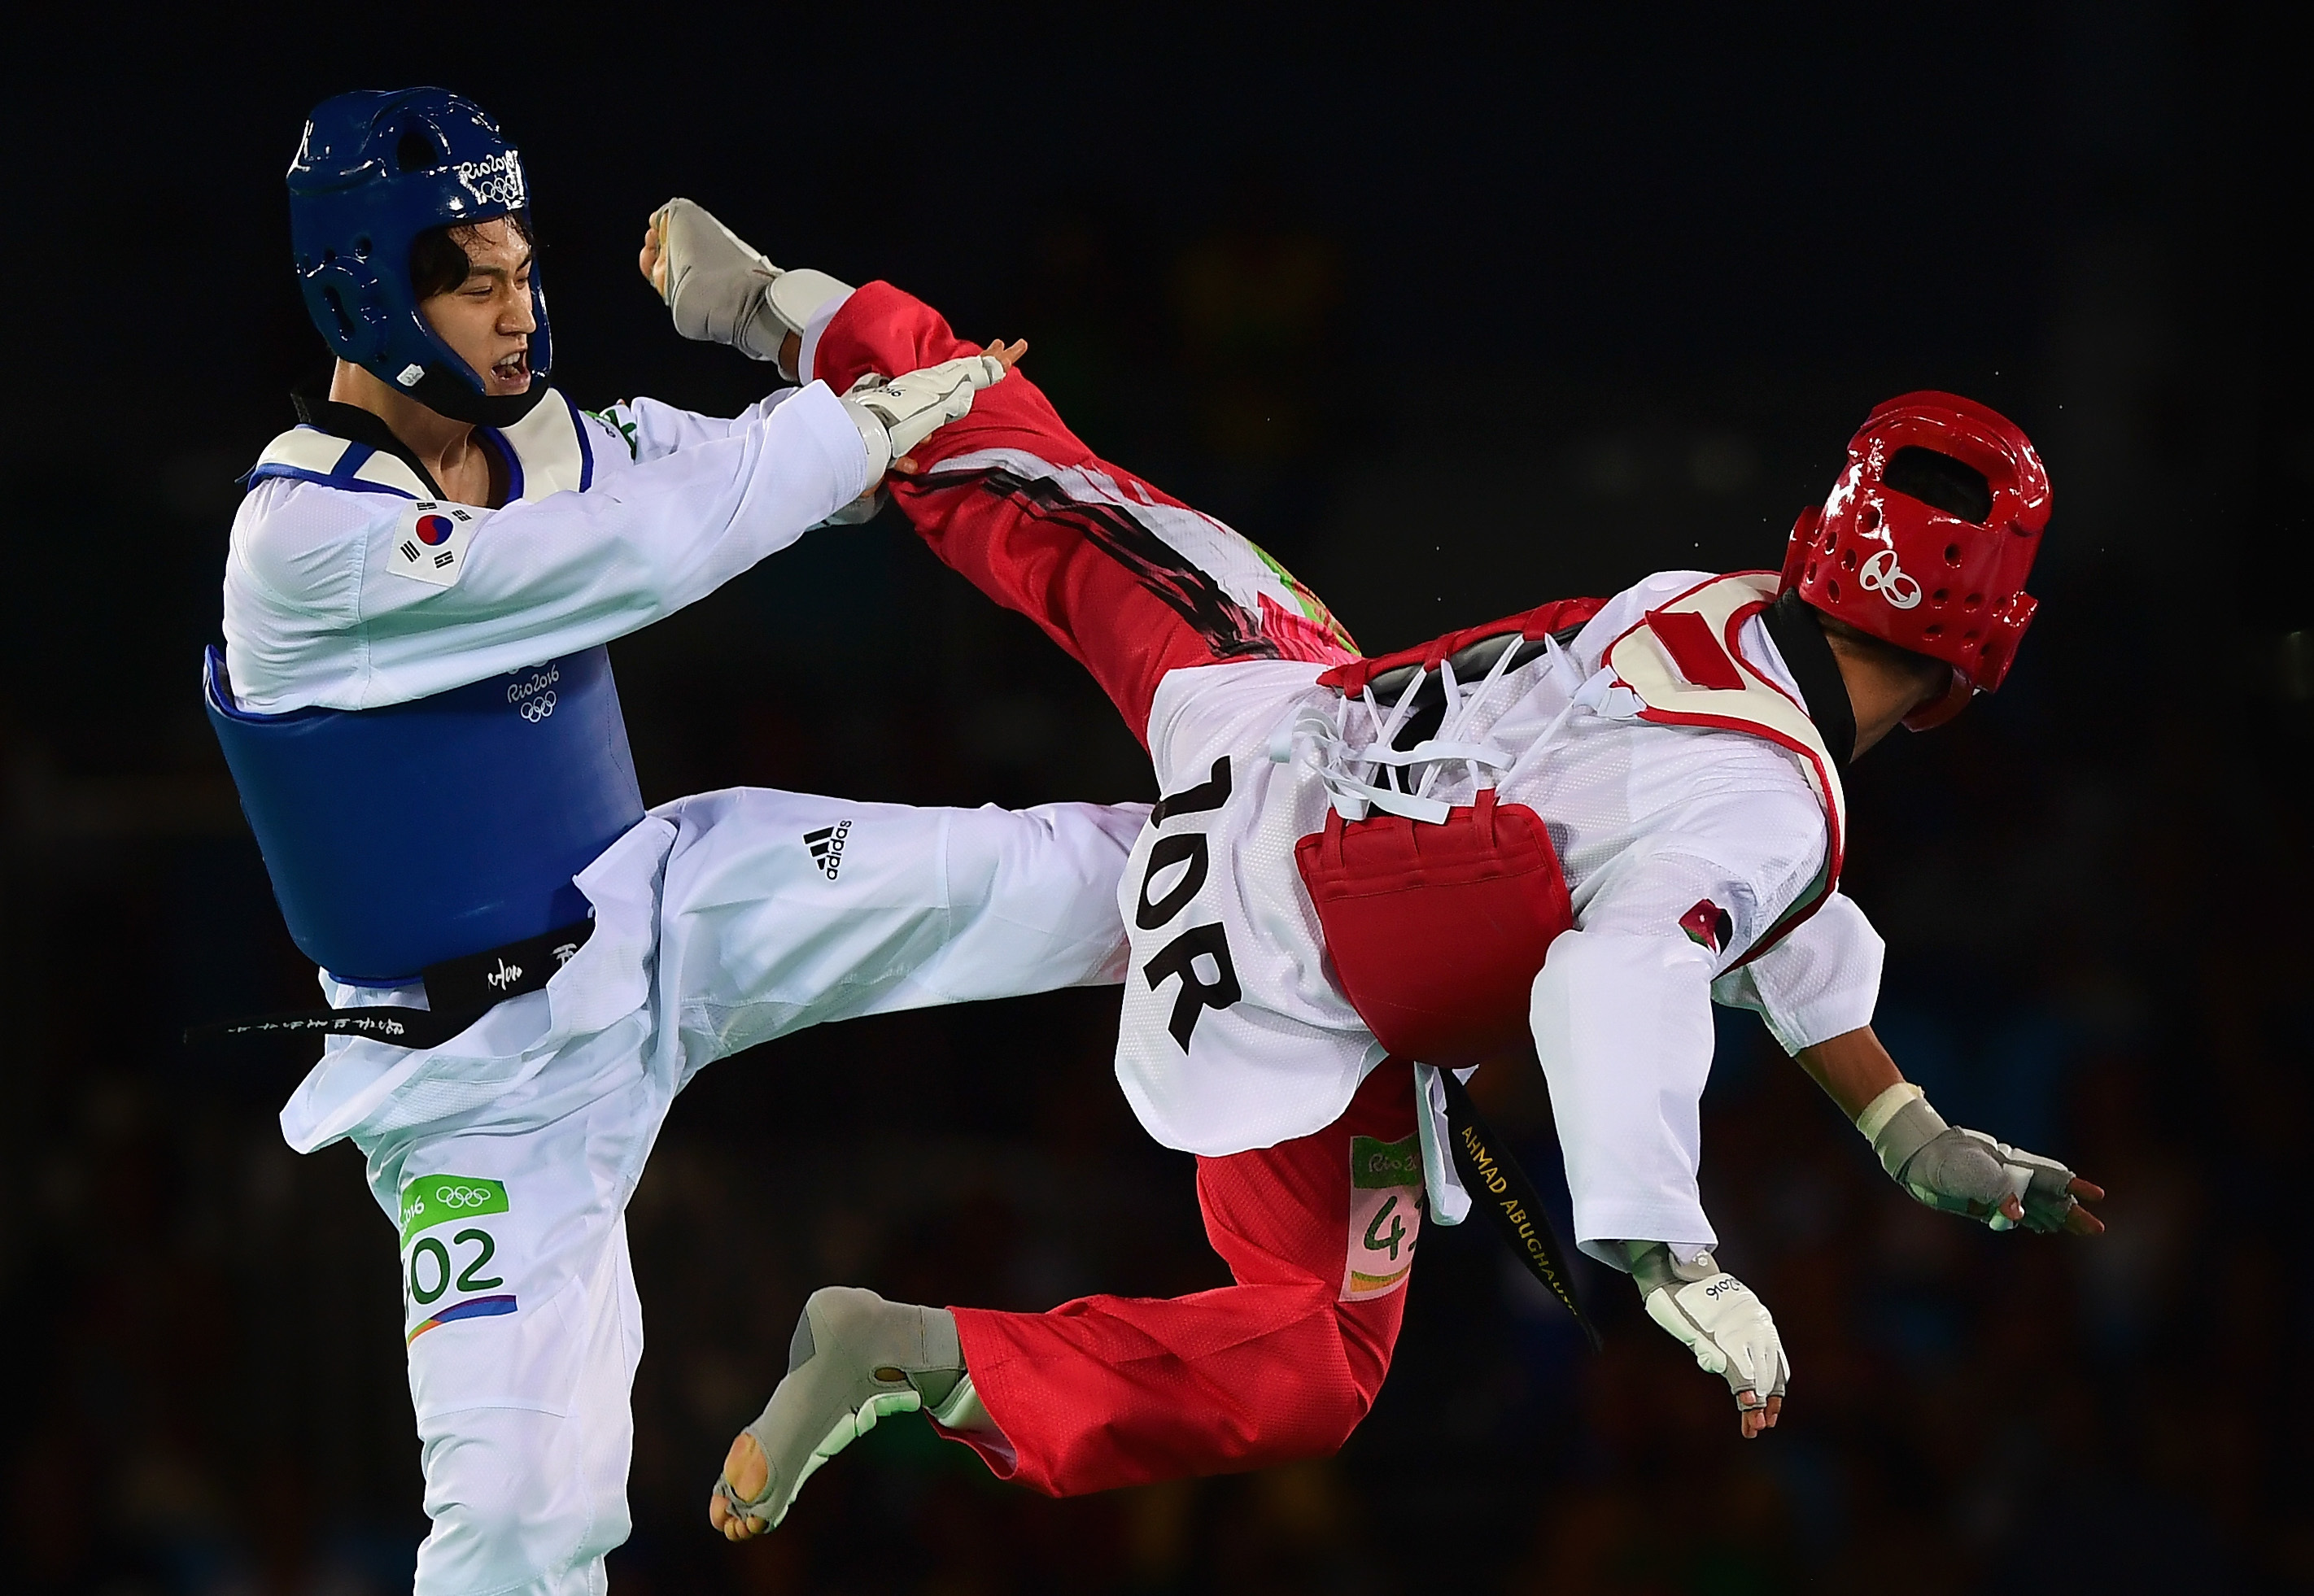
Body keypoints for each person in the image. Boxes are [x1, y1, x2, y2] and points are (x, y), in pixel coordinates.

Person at [643, 204, 2109, 1538]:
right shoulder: (1770, 805)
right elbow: (1634, 961)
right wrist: (1668, 1254)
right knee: (1316, 1359)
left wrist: (1904, 1124)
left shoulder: (1720, 607)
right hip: (1282, 973)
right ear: (1980, 660)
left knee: (1060, 495)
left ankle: (793, 315)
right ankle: (933, 1356)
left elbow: (1722, 892)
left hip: (1278, 711)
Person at [203, 92, 1150, 1595]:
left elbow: (773, 473)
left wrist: (831, 339)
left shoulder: (558, 444)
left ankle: (1309, 863)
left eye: (527, 269)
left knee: (1043, 878)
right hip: (479, 1095)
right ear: (372, 290)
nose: (521, 313)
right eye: (477, 279)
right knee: (519, 1531)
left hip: (662, 908)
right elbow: (643, 554)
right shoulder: (302, 541)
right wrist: (842, 438)